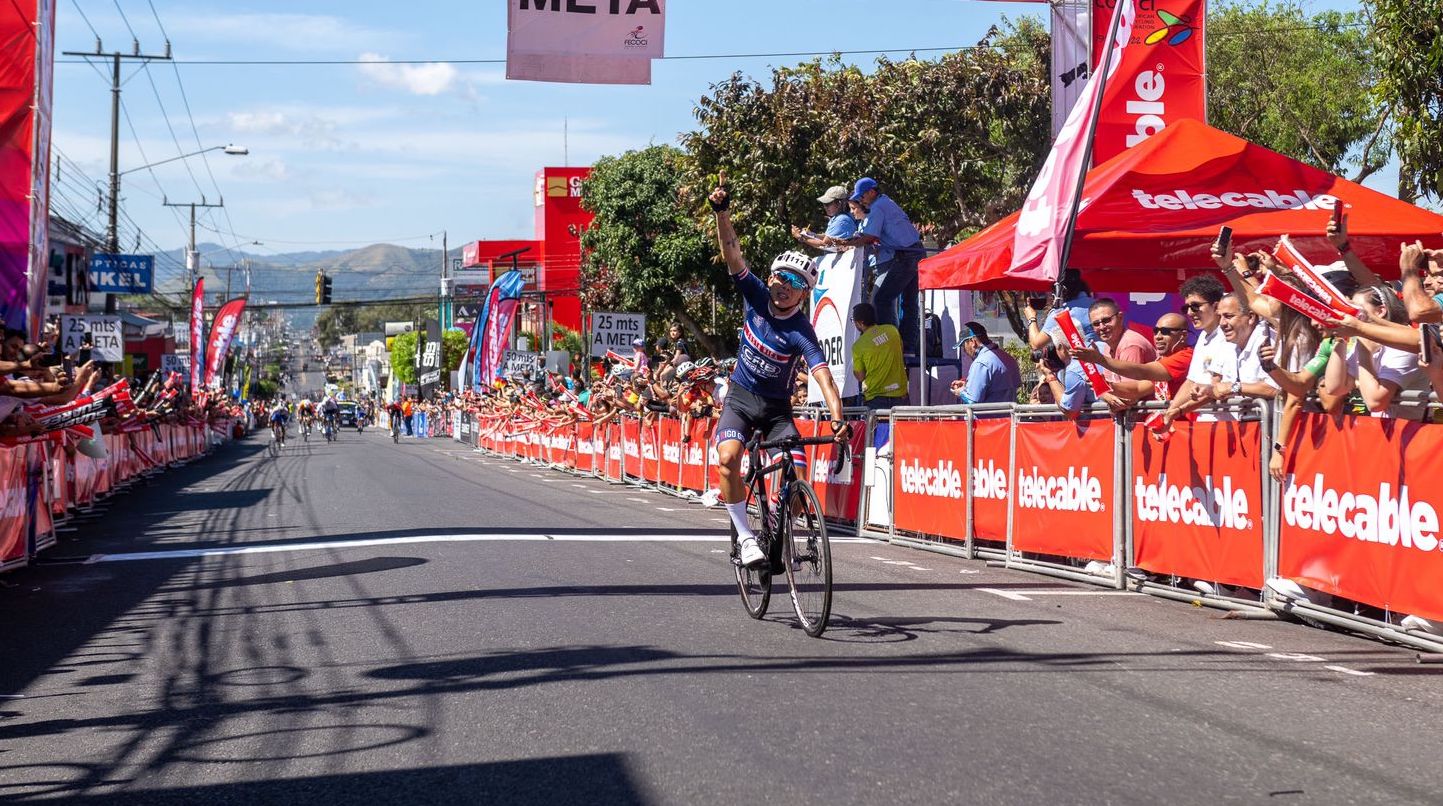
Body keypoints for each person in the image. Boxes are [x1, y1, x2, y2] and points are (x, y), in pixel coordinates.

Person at [708, 172, 848, 569]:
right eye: (780, 278)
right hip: (739, 398)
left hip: (776, 410)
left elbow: (822, 374)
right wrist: (722, 213)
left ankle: (777, 517)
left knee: (798, 487)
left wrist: (837, 418)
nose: (784, 286)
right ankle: (746, 537)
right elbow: (733, 252)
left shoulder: (801, 330)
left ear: (805, 292)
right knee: (729, 458)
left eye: (795, 282)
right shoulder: (754, 295)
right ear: (769, 279)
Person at [826, 177, 924, 354]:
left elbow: (869, 237)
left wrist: (847, 243)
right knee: (909, 302)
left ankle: (891, 343)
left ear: (872, 192)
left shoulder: (877, 207)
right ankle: (907, 346)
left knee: (882, 299)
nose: (861, 200)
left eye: (862, 196)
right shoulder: (885, 202)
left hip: (906, 255)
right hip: (915, 252)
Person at [1161, 275, 1234, 427]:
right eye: (1186, 307)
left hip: (1230, 424)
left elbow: (1216, 387)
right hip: (1206, 422)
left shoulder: (1228, 336)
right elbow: (1191, 381)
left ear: (1215, 307)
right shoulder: (1202, 337)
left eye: (1195, 306)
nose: (1189, 312)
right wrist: (1170, 413)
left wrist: (1178, 411)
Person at [1074, 312, 1193, 402]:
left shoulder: (1186, 357)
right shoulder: (1163, 360)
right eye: (1156, 331)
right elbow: (1138, 388)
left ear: (1182, 336)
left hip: (1187, 430)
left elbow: (1141, 371)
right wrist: (1108, 385)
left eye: (1165, 331)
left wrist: (1100, 359)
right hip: (1165, 430)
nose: (1158, 336)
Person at [1083, 299, 1156, 410]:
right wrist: (1101, 387)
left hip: (1146, 420)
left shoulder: (1130, 345)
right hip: (1131, 421)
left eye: (1106, 320)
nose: (1102, 327)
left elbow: (1128, 398)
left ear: (1120, 317)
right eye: (1096, 324)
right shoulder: (1109, 345)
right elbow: (1113, 391)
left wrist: (1102, 390)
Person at [850, 302, 908, 410]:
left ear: (861, 323)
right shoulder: (892, 330)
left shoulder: (858, 346)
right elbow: (901, 350)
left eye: (854, 321)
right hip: (900, 395)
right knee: (902, 427)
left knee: (876, 427)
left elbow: (860, 376)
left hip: (876, 400)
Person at [949, 321, 1021, 405]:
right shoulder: (1008, 358)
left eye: (963, 346)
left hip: (987, 417)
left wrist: (960, 392)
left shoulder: (981, 363)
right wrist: (968, 385)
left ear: (972, 342)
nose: (964, 351)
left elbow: (972, 401)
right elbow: (996, 389)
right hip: (1008, 416)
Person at [1026, 268, 1098, 351]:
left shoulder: (1060, 314)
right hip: (1107, 359)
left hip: (1082, 362)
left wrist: (1031, 318)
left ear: (1059, 291)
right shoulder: (1101, 305)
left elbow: (1036, 344)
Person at [1037, 341, 1096, 419]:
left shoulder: (1073, 370)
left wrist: (1049, 374)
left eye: (1056, 348)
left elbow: (1069, 411)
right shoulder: (1101, 346)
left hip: (1097, 425)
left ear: (1061, 347)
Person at [792, 185, 856, 249]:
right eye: (824, 204)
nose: (825, 207)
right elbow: (828, 236)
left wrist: (800, 238)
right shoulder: (837, 217)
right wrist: (811, 234)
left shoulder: (842, 220)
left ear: (839, 203)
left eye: (827, 204)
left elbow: (824, 244)